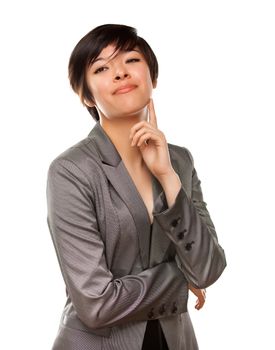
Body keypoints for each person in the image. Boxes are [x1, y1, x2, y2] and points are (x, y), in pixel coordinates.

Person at [46, 24, 226, 350]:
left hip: (176, 341)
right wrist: (180, 278)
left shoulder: (180, 161)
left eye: (131, 59)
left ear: (152, 77)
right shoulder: (71, 171)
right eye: (101, 67)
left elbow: (208, 269)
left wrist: (168, 176)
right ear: (86, 95)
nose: (119, 73)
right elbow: (96, 304)